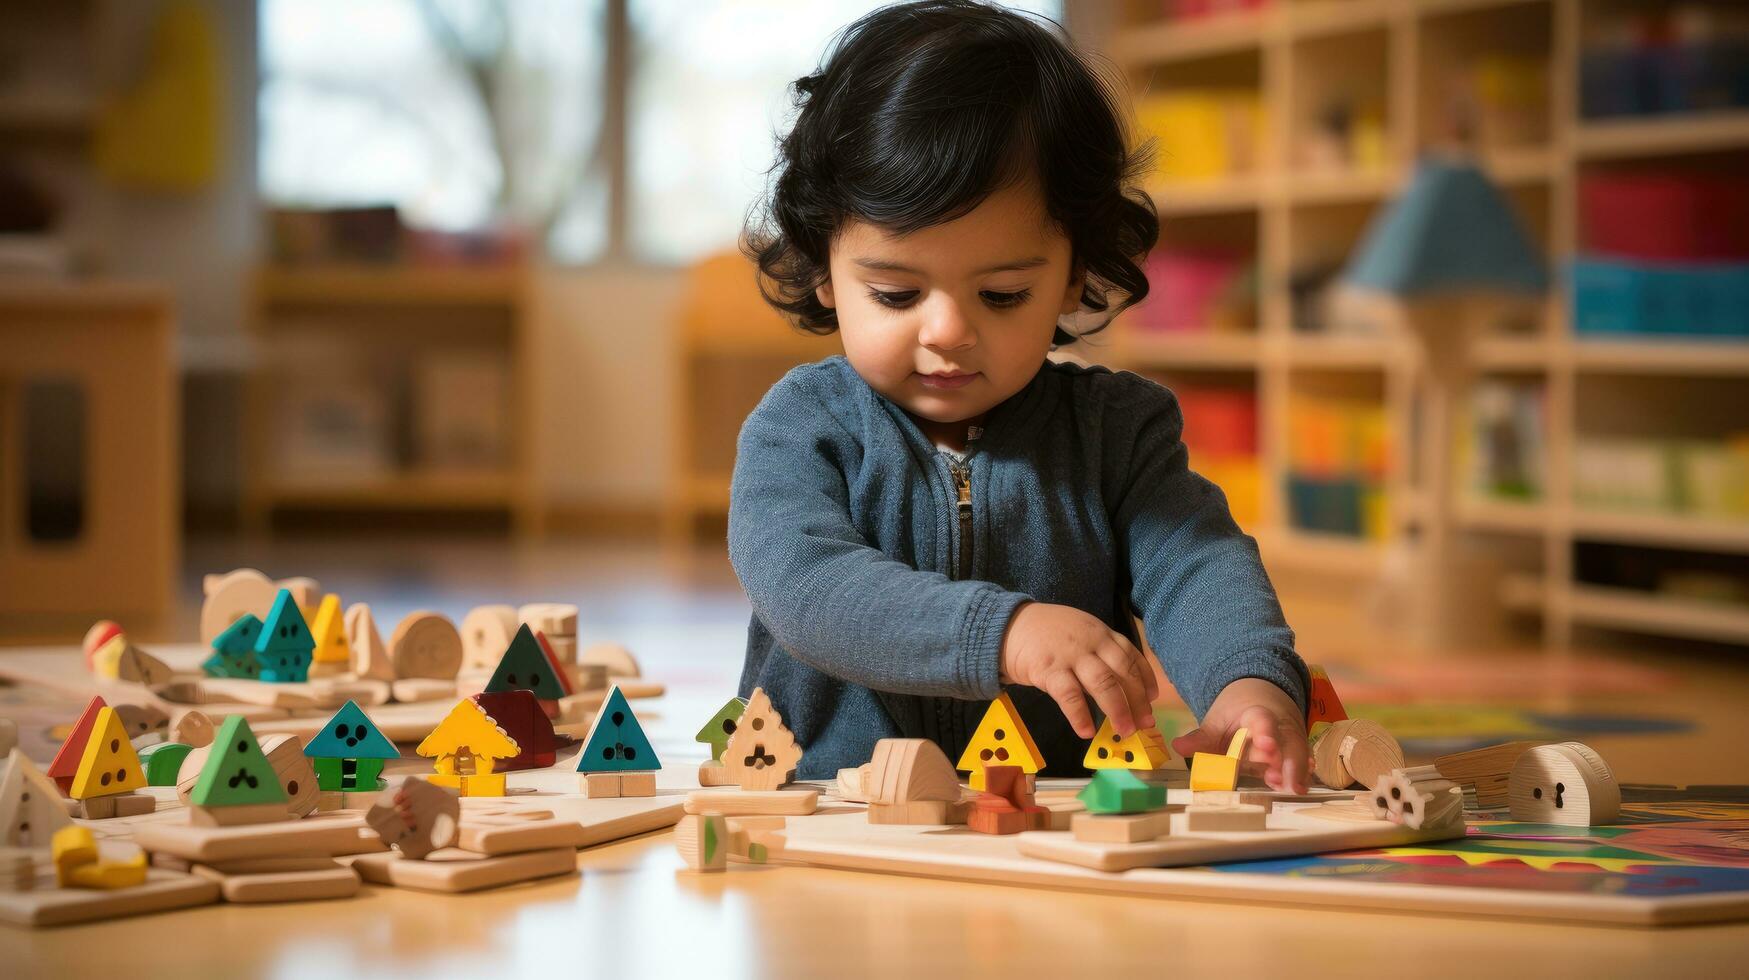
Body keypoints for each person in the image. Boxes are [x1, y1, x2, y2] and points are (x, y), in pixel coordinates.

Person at [731, 0, 1309, 791]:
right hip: (834, 802)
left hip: (1063, 808)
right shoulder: (801, 429)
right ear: (825, 269)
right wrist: (1001, 631)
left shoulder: (1116, 432)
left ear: (1073, 274)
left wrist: (1249, 686)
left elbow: (1195, 563)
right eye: (896, 294)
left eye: (1001, 294)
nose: (948, 331)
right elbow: (808, 589)